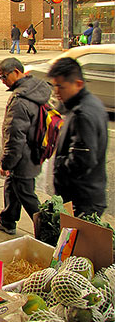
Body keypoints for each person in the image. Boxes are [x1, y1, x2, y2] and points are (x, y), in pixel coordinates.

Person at [0, 57, 51, 235]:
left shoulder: (19, 100)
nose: (3, 81)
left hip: (23, 157)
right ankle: (7, 220)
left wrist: (6, 163)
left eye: (4, 76)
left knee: (27, 195)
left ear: (16, 72)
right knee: (12, 186)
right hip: (35, 151)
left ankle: (49, 232)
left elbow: (15, 137)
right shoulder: (36, 88)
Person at [47, 58, 108, 217]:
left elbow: (82, 161)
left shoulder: (83, 115)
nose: (56, 92)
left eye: (61, 86)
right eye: (55, 86)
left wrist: (59, 164)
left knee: (76, 241)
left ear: (78, 84)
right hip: (85, 195)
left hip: (82, 200)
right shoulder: (88, 105)